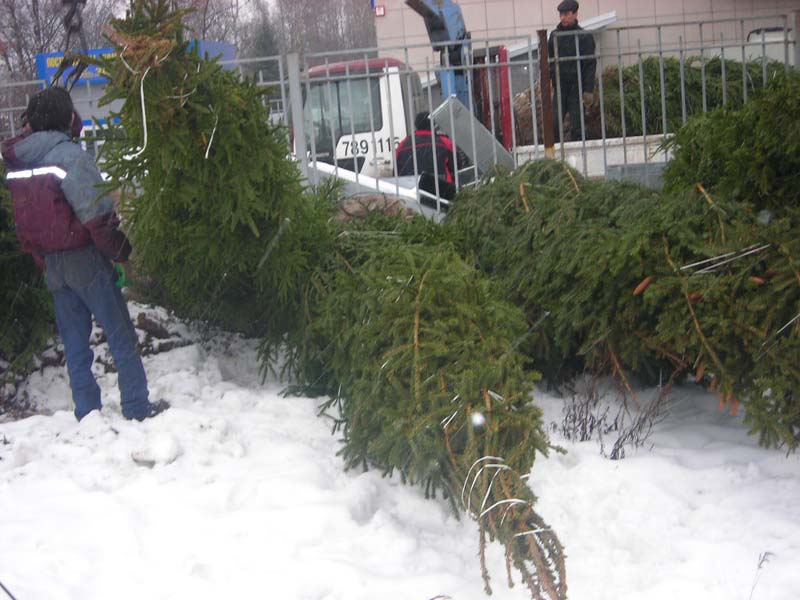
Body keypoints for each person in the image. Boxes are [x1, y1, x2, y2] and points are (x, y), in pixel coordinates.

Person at [1, 87, 168, 422]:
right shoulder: (70, 157)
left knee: (74, 341)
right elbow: (96, 215)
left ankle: (87, 411)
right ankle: (136, 406)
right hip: (83, 258)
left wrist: (41, 256)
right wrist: (120, 251)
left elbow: (27, 219)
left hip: (51, 263)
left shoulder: (20, 160)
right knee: (119, 331)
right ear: (67, 117)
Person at [548, 0, 596, 141]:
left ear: (575, 14)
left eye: (566, 14)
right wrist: (552, 81)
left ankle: (580, 149)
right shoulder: (554, 36)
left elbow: (589, 64)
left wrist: (588, 90)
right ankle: (555, 150)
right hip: (561, 86)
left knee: (578, 125)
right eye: (561, 14)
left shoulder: (584, 36)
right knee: (554, 123)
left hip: (577, 86)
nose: (562, 18)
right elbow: (550, 61)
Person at [396, 111, 469, 200]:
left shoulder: (402, 144)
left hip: (411, 193)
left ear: (416, 125)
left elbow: (397, 171)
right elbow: (458, 165)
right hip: (442, 192)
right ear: (433, 125)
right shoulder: (444, 142)